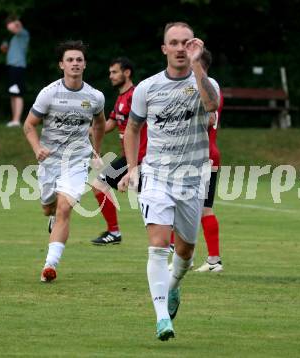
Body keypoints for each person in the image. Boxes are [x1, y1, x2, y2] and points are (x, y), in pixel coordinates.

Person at [118, 22, 220, 340]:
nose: (179, 48)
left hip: (192, 179)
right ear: (164, 49)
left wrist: (197, 66)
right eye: (173, 43)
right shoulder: (147, 88)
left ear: (194, 46)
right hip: (157, 176)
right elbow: (133, 128)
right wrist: (133, 168)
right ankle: (162, 318)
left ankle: (173, 287)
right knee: (158, 245)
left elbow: (212, 105)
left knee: (186, 252)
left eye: (186, 43)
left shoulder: (206, 83)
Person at [23, 40, 105, 282]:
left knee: (65, 208)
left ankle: (50, 265)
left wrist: (95, 150)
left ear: (85, 64)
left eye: (79, 59)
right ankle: (52, 218)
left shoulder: (94, 96)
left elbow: (99, 124)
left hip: (76, 161)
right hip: (50, 162)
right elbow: (29, 125)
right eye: (70, 60)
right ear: (62, 65)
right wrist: (37, 148)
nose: (75, 63)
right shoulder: (49, 94)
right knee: (48, 208)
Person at [90, 57, 147, 245]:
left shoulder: (135, 95)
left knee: (153, 199)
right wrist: (81, 128)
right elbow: (107, 126)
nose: (111, 76)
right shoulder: (122, 97)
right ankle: (114, 232)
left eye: (114, 72)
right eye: (110, 73)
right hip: (128, 158)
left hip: (141, 157)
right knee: (99, 185)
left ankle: (171, 242)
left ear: (127, 73)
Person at [194, 48, 224, 272]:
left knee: (198, 208)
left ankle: (190, 257)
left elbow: (209, 117)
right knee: (202, 207)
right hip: (208, 153)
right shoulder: (211, 83)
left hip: (200, 155)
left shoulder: (206, 84)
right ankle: (213, 260)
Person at [1, 15, 30, 127]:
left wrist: (15, 22)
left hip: (18, 67)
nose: (10, 28)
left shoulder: (23, 33)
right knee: (13, 93)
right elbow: (4, 50)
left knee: (17, 94)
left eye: (10, 25)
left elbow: (18, 25)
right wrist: (4, 48)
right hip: (12, 67)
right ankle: (14, 119)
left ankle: (17, 120)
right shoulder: (13, 38)